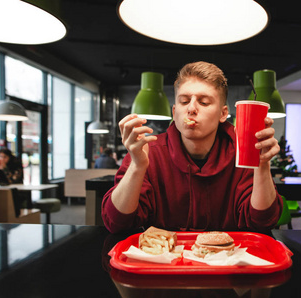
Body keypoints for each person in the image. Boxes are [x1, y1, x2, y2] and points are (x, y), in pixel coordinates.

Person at [102, 61, 283, 234]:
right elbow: (116, 223)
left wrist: (263, 164)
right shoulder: (148, 151)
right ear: (174, 112)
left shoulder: (243, 152)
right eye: (184, 101)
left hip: (229, 261)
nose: (191, 108)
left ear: (223, 114)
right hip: (164, 262)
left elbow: (263, 223)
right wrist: (137, 166)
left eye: (204, 102)